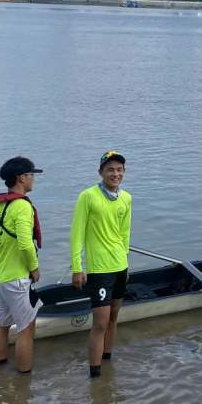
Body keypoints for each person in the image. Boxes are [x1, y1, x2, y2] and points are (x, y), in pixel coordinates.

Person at [70, 151, 132, 378]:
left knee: (114, 316)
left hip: (120, 266)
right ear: (101, 172)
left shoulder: (126, 198)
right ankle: (94, 375)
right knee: (100, 323)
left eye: (119, 170)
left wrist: (126, 261)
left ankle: (108, 359)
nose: (115, 174)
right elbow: (76, 234)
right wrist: (77, 267)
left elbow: (125, 233)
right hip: (99, 269)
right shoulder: (88, 196)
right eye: (110, 169)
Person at [0, 157, 43, 374]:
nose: (33, 179)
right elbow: (25, 243)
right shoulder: (21, 206)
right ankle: (24, 379)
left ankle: (0, 368)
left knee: (2, 325)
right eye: (31, 175)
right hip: (17, 277)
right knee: (26, 329)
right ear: (21, 178)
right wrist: (34, 268)